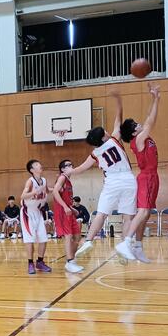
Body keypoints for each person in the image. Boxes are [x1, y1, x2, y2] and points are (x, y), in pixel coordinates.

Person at [70, 92, 137, 260]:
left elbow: (81, 168)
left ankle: (88, 241)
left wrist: (69, 172)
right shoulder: (114, 139)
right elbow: (118, 120)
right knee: (128, 216)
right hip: (128, 179)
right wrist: (119, 102)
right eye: (105, 131)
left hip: (111, 182)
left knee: (101, 214)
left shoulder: (95, 153)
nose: (108, 131)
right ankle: (125, 246)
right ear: (104, 136)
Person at [116, 85, 161, 263]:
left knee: (146, 213)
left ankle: (138, 247)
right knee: (142, 212)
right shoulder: (139, 138)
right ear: (134, 132)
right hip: (147, 177)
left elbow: (148, 116)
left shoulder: (141, 136)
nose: (139, 123)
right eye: (136, 124)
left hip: (152, 177)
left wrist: (154, 98)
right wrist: (156, 99)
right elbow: (150, 120)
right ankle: (126, 242)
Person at [20, 159, 52, 274]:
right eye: (37, 165)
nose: (40, 165)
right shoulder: (30, 181)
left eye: (40, 164)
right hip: (27, 213)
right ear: (32, 170)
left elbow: (48, 190)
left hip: (38, 212)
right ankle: (30, 263)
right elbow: (23, 196)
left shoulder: (44, 180)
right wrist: (35, 192)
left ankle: (40, 262)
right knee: (30, 239)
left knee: (43, 238)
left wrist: (58, 188)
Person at [52, 159, 83, 274]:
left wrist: (72, 208)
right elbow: (55, 192)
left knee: (77, 236)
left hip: (68, 210)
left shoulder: (68, 180)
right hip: (62, 211)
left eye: (71, 164)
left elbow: (65, 197)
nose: (71, 166)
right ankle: (70, 262)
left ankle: (71, 260)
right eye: (68, 165)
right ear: (63, 169)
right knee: (68, 236)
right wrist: (65, 207)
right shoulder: (62, 177)